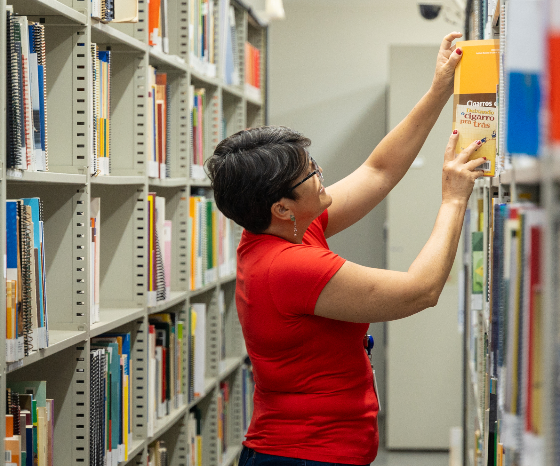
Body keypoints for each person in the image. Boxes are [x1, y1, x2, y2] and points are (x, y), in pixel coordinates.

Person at [204, 32, 488, 466]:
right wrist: (453, 200)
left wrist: (439, 90)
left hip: (312, 452)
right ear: (281, 206)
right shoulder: (291, 266)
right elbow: (421, 290)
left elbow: (379, 170)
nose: (321, 176)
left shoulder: (277, 231)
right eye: (310, 174)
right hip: (304, 457)